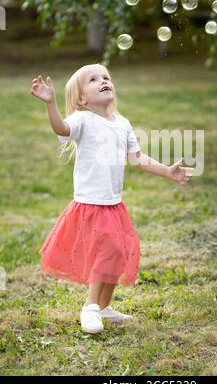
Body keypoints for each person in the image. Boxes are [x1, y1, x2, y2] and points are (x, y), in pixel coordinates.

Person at [30, 63, 193, 334]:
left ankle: (104, 307)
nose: (103, 81)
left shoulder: (122, 123)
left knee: (117, 254)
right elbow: (61, 129)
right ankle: (90, 307)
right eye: (93, 80)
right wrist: (50, 103)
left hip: (113, 204)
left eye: (106, 77)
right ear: (82, 98)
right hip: (91, 204)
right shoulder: (83, 120)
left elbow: (137, 159)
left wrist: (167, 171)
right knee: (108, 252)